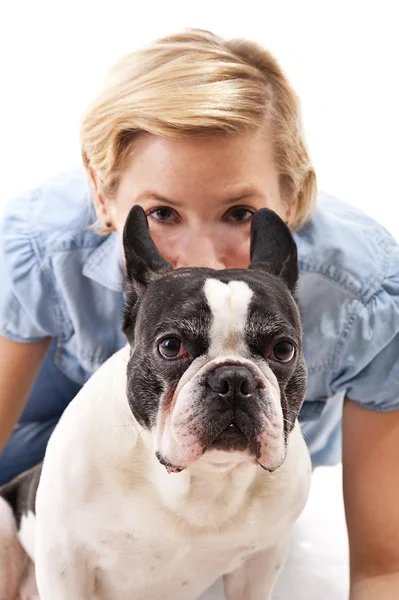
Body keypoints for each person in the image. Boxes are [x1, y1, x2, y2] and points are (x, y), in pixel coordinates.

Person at [0, 28, 398, 596]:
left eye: (239, 212)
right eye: (162, 213)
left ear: (293, 198)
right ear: (100, 195)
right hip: (61, 388)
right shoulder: (44, 243)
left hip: (211, 449)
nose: (204, 258)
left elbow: (383, 565)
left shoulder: (365, 288)